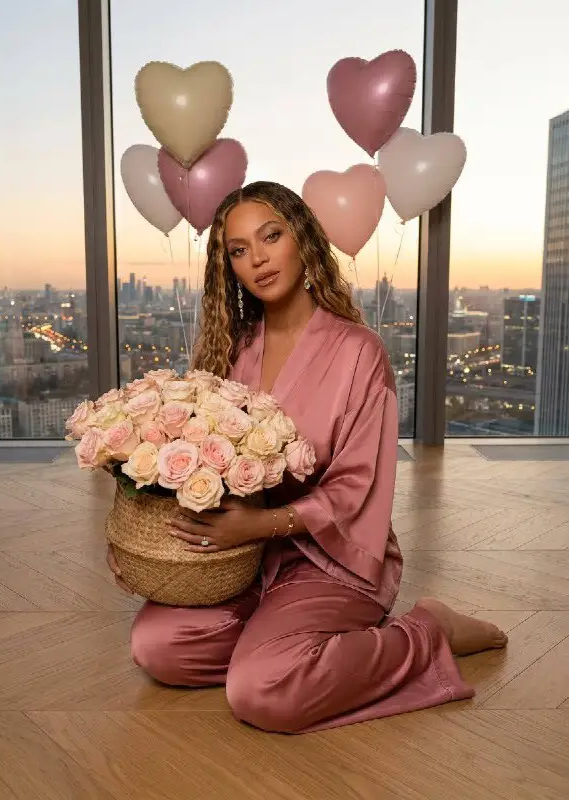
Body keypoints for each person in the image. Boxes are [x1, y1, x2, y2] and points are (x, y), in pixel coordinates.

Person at [108, 181, 507, 734]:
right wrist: (143, 532)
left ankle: (426, 632)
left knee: (261, 692)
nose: (258, 259)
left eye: (271, 236)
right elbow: (201, 462)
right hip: (242, 559)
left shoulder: (359, 353)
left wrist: (264, 523)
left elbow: (357, 486)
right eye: (239, 250)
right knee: (157, 648)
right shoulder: (233, 349)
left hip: (331, 556)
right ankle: (282, 644)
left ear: (304, 239)